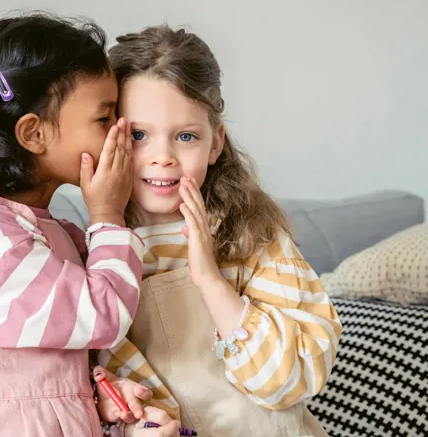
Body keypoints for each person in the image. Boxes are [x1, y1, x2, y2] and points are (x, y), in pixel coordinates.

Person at [0, 13, 178, 436]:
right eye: (104, 118)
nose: (120, 133)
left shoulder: (55, 234)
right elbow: (102, 317)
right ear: (34, 134)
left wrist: (102, 399)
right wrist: (108, 217)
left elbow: (61, 357)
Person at [96, 25, 342, 437]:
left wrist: (209, 280)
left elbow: (291, 382)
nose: (162, 157)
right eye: (138, 135)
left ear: (215, 144)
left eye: (186, 136)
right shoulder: (90, 256)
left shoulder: (255, 238)